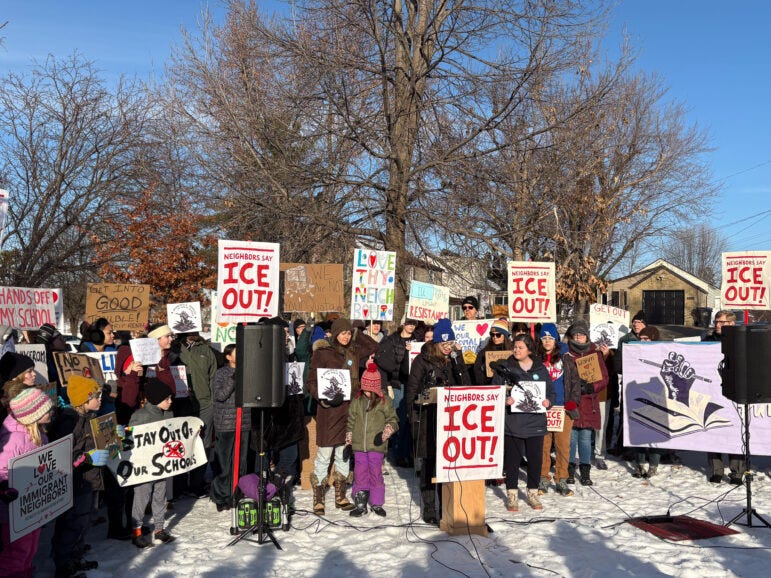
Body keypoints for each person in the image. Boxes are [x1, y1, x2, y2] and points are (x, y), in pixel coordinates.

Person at [307, 318, 378, 515]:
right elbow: (311, 382)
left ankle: (341, 496)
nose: (346, 337)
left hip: (350, 409)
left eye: (348, 333)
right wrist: (322, 398)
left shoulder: (353, 350)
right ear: (335, 333)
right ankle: (319, 498)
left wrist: (357, 331)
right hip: (329, 411)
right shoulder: (323, 353)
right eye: (343, 333)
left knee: (344, 453)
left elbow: (374, 346)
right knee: (324, 454)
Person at [406, 318, 470, 524]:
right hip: (428, 421)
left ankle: (446, 506)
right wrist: (414, 419)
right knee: (429, 464)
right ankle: (430, 508)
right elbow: (411, 391)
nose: (447, 348)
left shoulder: (452, 359)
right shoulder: (422, 361)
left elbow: (466, 385)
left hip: (450, 422)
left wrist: (458, 358)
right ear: (435, 344)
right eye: (444, 344)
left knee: (447, 465)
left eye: (450, 344)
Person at [49, 375, 109, 575]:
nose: (100, 399)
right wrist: (88, 458)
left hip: (89, 481)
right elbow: (65, 455)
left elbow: (95, 444)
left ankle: (75, 556)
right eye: (96, 396)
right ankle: (64, 564)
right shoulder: (70, 423)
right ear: (84, 400)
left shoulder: (88, 418)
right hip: (76, 483)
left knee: (84, 521)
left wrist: (114, 435)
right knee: (72, 524)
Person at [491, 334, 555, 511]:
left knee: (535, 460)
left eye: (520, 347)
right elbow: (495, 390)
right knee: (512, 461)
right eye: (515, 347)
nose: (516, 350)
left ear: (529, 350)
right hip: (514, 423)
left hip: (536, 423)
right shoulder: (505, 367)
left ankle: (532, 493)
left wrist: (548, 402)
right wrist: (505, 399)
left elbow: (551, 393)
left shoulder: (540, 369)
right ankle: (512, 494)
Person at [0, 388, 54, 578]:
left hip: (32, 506)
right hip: (13, 509)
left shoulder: (39, 434)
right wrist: (6, 488)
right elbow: (2, 469)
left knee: (30, 549)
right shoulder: (14, 439)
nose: (51, 412)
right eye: (46, 410)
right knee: (17, 553)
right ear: (33, 415)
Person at [345, 363, 398, 517]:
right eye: (364, 389)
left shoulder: (384, 401)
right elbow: (351, 420)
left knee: (375, 473)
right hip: (359, 445)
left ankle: (376, 502)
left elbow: (393, 420)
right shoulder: (357, 401)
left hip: (376, 445)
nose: (366, 392)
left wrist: (388, 429)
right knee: (360, 472)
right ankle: (360, 502)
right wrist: (349, 435)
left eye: (369, 390)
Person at [129, 378, 176, 548]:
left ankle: (159, 528)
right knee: (142, 497)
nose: (170, 402)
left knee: (160, 496)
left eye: (170, 398)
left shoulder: (168, 414)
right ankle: (137, 532)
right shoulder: (139, 416)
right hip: (144, 467)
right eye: (167, 399)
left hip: (162, 464)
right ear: (156, 399)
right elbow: (131, 441)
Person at [564, 321, 608, 487]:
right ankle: (568, 470)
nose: (578, 337)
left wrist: (591, 386)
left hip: (589, 403)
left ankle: (585, 471)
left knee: (585, 439)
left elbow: (604, 378)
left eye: (581, 334)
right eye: (575, 334)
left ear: (586, 336)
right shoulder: (566, 354)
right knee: (570, 438)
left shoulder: (594, 353)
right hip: (572, 402)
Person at [702, 310, 744, 484]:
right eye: (716, 321)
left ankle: (736, 472)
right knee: (712, 428)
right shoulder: (707, 340)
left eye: (721, 322)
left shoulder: (741, 341)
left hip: (734, 392)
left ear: (731, 324)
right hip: (711, 391)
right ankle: (717, 469)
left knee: (735, 431)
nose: (717, 324)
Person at [537, 323, 579, 497]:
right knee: (544, 446)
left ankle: (562, 478)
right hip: (543, 409)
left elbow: (575, 382)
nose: (547, 342)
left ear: (556, 341)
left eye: (550, 338)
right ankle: (543, 478)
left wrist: (573, 402)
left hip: (563, 408)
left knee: (563, 446)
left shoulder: (566, 358)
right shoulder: (535, 359)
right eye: (544, 338)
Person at [210, 344, 251, 511]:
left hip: (244, 422)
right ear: (228, 357)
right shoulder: (221, 373)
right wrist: (234, 378)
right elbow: (220, 395)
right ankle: (221, 495)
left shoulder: (248, 371)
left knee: (241, 461)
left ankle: (238, 492)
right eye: (236, 352)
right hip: (226, 424)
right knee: (224, 462)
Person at [178, 332, 218, 497]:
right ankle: (179, 486)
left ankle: (197, 483)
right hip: (182, 405)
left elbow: (213, 376)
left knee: (203, 444)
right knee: (181, 445)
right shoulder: (174, 348)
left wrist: (213, 400)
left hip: (205, 403)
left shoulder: (206, 349)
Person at [374, 317, 417, 467]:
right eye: (409, 323)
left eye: (414, 324)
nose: (411, 326)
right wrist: (405, 353)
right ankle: (399, 452)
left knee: (411, 417)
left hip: (414, 383)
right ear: (402, 324)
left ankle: (408, 452)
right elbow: (386, 361)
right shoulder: (393, 340)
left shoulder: (418, 340)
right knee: (399, 418)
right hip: (399, 383)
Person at [632, 325, 664, 478]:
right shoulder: (632, 352)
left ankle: (653, 465)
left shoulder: (660, 353)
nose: (643, 341)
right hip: (636, 395)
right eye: (641, 339)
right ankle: (639, 464)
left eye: (647, 339)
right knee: (638, 431)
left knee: (654, 432)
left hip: (656, 396)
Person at [473, 318, 513, 385]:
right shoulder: (484, 352)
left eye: (498, 335)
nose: (495, 337)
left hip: (508, 384)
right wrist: (484, 382)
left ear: (505, 336)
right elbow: (477, 368)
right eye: (492, 334)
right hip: (489, 385)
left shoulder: (512, 350)